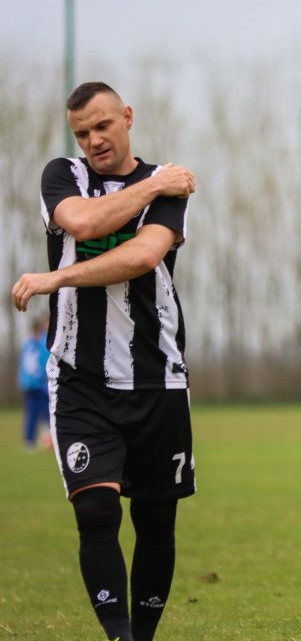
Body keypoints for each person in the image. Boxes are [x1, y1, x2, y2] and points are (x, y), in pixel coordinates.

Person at [10, 82, 197, 641]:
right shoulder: (61, 175)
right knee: (95, 512)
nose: (93, 140)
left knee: (156, 520)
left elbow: (143, 255)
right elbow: (85, 224)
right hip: (78, 377)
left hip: (157, 377)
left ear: (128, 118)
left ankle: (143, 636)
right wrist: (154, 184)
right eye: (82, 132)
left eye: (102, 126)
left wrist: (55, 277)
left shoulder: (168, 186)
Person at [19, 313, 51, 451]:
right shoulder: (39, 343)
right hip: (37, 385)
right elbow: (44, 364)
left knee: (41, 413)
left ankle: (38, 440)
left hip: (31, 385)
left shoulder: (28, 343)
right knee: (39, 413)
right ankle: (34, 440)